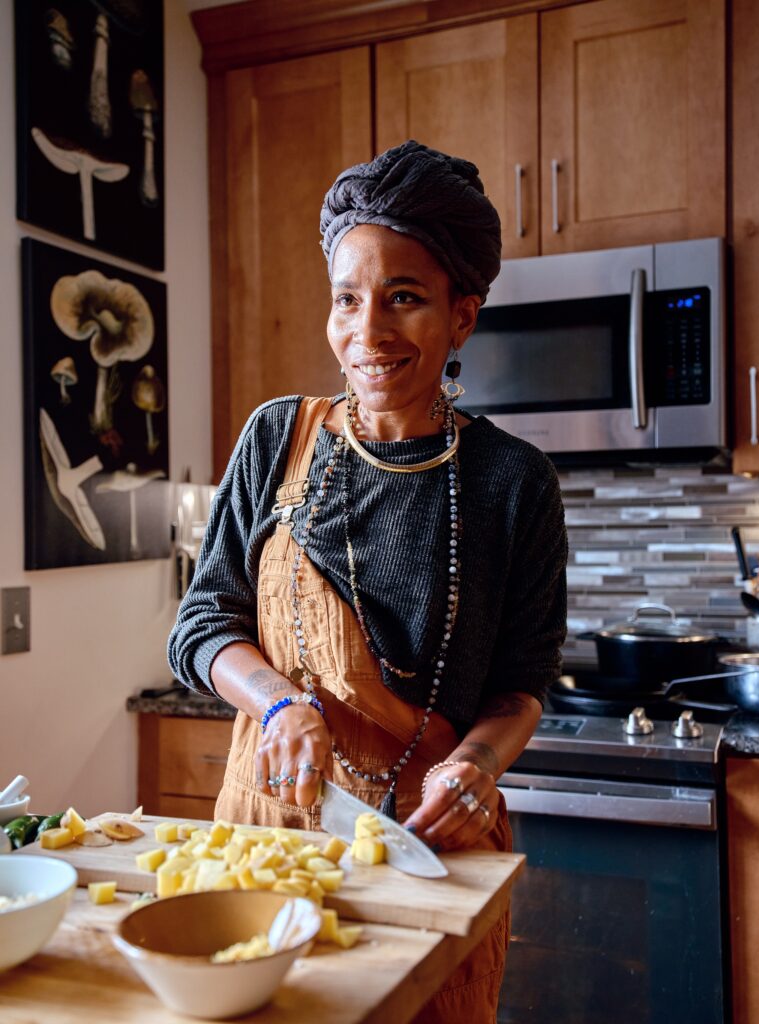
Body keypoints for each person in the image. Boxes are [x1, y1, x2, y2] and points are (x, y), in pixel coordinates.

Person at [168, 139, 568, 1023]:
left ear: (461, 316)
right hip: (264, 844)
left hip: (431, 850)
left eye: (405, 299)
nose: (368, 332)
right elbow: (201, 624)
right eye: (346, 299)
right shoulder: (279, 441)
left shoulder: (513, 483)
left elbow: (522, 683)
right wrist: (278, 702)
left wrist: (475, 764)